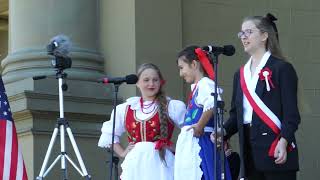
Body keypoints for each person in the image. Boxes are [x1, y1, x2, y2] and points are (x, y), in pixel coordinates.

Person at [215, 13, 300, 180]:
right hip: (248, 149)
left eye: (248, 32)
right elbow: (236, 114)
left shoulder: (282, 68)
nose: (243, 37)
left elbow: (291, 115)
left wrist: (284, 141)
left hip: (276, 147)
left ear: (264, 36)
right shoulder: (239, 75)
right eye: (241, 33)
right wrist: (223, 131)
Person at [98, 63, 186, 180]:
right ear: (137, 83)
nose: (151, 84)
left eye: (155, 80)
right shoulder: (125, 109)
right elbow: (109, 133)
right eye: (146, 80)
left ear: (161, 82)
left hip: (162, 164)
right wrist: (122, 153)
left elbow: (190, 131)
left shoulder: (172, 106)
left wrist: (175, 148)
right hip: (135, 164)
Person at [174, 45, 232, 180]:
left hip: (203, 143)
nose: (181, 74)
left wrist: (200, 126)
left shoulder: (205, 83)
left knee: (206, 174)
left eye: (182, 68)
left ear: (194, 64)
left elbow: (213, 103)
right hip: (197, 142)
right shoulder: (198, 87)